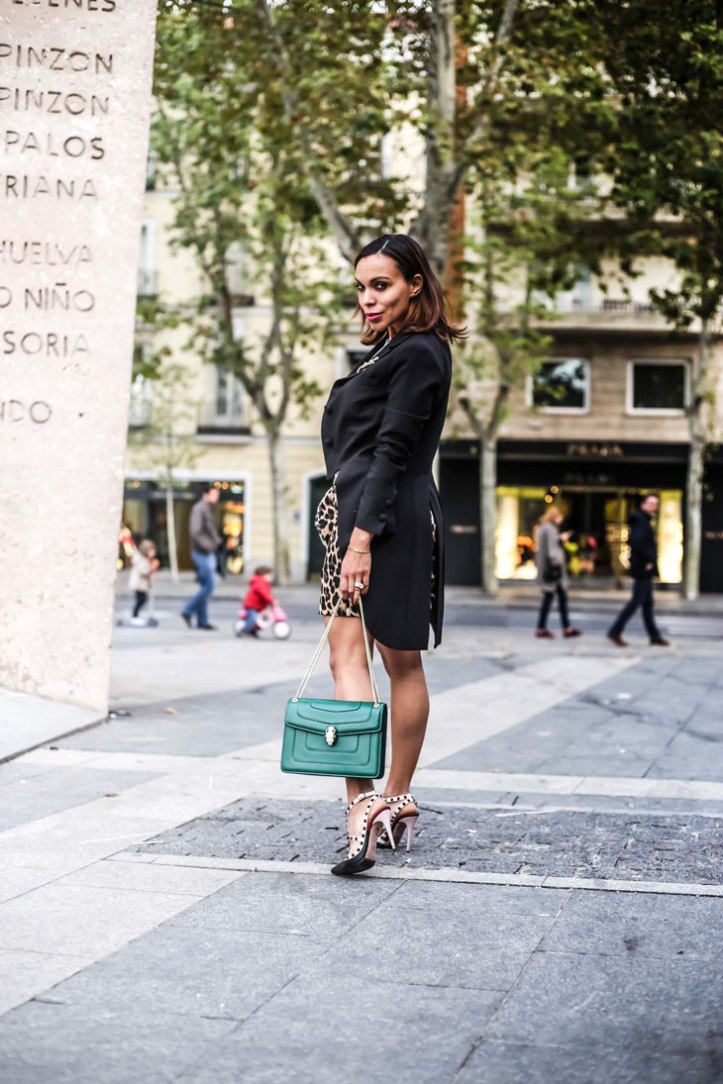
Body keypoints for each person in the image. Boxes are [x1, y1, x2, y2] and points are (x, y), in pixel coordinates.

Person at [314, 233, 465, 876]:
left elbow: (391, 452)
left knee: (386, 659)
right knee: (361, 658)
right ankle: (376, 802)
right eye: (361, 287)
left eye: (381, 285)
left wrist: (361, 541)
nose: (368, 299)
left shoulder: (420, 354)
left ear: (415, 286)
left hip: (381, 520)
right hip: (358, 515)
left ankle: (378, 800)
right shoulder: (395, 353)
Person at [608, 493, 670, 647]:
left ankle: (654, 636)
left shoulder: (643, 520)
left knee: (647, 603)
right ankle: (615, 631)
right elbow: (637, 543)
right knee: (636, 602)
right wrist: (647, 562)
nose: (653, 506)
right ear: (643, 504)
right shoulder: (641, 521)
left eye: (655, 504)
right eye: (650, 503)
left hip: (643, 568)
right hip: (642, 568)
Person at [534, 507, 582, 639]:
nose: (561, 519)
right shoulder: (550, 529)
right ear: (555, 516)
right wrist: (560, 562)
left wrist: (559, 538)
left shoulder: (543, 528)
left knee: (557, 599)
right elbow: (552, 551)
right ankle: (545, 629)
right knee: (553, 599)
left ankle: (564, 628)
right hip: (554, 572)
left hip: (548, 570)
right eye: (560, 516)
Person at [181, 485, 221, 630]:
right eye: (214, 494)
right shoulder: (199, 509)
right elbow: (195, 532)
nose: (217, 497)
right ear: (205, 495)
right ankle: (187, 610)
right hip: (202, 553)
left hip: (205, 553)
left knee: (205, 586)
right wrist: (210, 545)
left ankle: (202, 621)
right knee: (209, 586)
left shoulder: (206, 508)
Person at [240, 565, 275, 637]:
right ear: (263, 575)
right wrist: (271, 600)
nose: (271, 577)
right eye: (269, 575)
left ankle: (252, 631)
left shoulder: (264, 583)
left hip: (259, 606)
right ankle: (244, 631)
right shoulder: (259, 583)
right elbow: (264, 593)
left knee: (261, 619)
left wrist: (271, 600)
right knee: (253, 618)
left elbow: (267, 593)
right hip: (252, 606)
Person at [129, 539, 159, 619]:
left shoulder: (146, 559)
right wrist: (152, 569)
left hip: (142, 584)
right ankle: (135, 614)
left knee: (141, 599)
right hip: (139, 584)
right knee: (141, 599)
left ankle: (135, 613)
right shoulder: (141, 559)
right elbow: (143, 571)